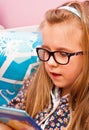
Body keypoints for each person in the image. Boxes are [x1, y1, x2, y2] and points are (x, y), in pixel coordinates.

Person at [0, 0, 89, 130]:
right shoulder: (35, 83)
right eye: (46, 51)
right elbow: (7, 118)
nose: (50, 62)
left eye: (63, 54)